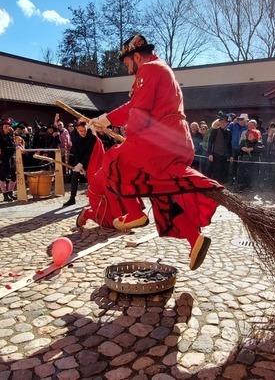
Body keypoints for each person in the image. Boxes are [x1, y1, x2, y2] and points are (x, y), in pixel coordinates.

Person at [87, 34, 221, 270]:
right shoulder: (162, 69)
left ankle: (134, 212)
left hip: (161, 139)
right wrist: (107, 121)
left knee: (113, 159)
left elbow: (137, 109)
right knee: (163, 196)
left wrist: (106, 120)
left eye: (127, 62)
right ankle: (195, 240)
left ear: (137, 56)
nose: (127, 68)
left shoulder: (148, 70)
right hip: (175, 139)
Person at [62, 121, 97, 207]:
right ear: (77, 130)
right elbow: (76, 151)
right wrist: (78, 165)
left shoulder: (92, 136)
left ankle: (93, 199)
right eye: (80, 131)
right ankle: (72, 198)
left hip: (91, 159)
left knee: (92, 179)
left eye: (84, 130)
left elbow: (89, 153)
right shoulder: (74, 135)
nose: (83, 132)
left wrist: (82, 165)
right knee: (74, 176)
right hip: (79, 158)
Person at [0, 119, 20, 201]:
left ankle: (10, 193)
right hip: (3, 158)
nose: (7, 127)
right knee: (3, 177)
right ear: (2, 127)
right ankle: (5, 195)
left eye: (8, 126)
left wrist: (13, 135)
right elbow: (3, 147)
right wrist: (13, 147)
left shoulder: (10, 135)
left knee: (14, 176)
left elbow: (12, 144)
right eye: (5, 126)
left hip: (11, 157)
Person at [207, 112, 232, 183]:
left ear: (227, 123)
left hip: (224, 156)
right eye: (222, 122)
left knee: (223, 172)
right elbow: (210, 142)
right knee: (215, 172)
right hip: (215, 154)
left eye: (225, 122)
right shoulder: (214, 131)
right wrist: (210, 154)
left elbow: (229, 144)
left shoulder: (229, 132)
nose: (223, 123)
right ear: (219, 122)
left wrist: (230, 155)